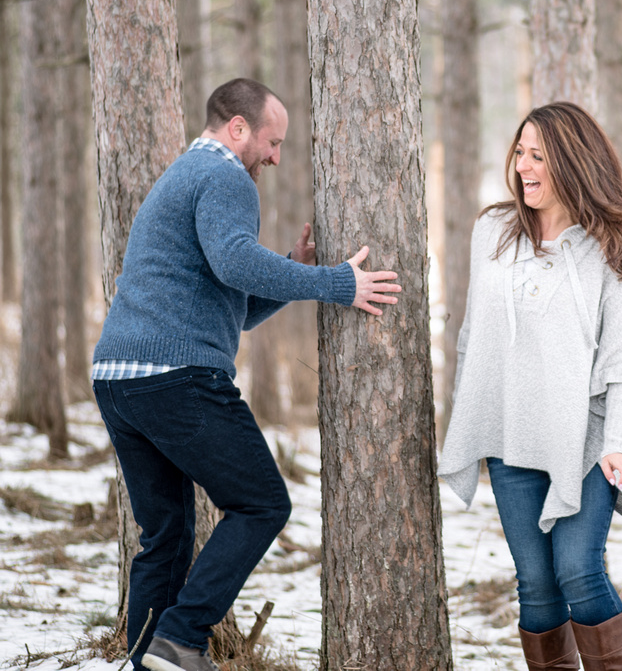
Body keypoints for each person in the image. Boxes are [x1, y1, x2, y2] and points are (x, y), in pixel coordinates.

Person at [91, 78, 401, 671]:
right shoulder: (224, 175)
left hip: (119, 380)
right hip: (176, 377)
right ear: (238, 128)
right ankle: (181, 639)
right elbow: (236, 260)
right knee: (261, 504)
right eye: (272, 141)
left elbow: (232, 297)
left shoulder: (186, 174)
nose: (276, 157)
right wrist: (339, 283)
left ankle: (149, 659)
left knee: (166, 535)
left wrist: (291, 271)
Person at [438, 102, 622, 670]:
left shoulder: (610, 247)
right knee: (537, 587)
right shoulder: (492, 230)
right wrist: (468, 425)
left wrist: (619, 439)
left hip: (584, 440)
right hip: (512, 435)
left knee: (578, 569)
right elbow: (473, 337)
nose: (523, 166)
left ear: (571, 162)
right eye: (520, 152)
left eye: (538, 155)